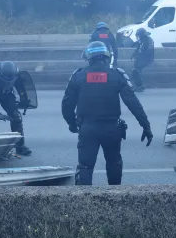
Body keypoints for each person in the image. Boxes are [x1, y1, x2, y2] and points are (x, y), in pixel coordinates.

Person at [62, 41, 153, 186]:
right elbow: (133, 103)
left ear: (89, 58)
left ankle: (83, 199)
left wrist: (72, 124)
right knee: (114, 162)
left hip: (87, 128)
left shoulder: (78, 76)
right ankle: (115, 196)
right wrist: (145, 125)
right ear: (106, 57)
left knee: (85, 166)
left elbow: (67, 105)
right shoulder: (117, 75)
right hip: (112, 129)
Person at [131, 28, 154, 92]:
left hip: (147, 59)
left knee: (135, 71)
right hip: (142, 59)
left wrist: (139, 57)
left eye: (139, 35)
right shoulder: (142, 40)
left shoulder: (147, 40)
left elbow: (147, 52)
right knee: (135, 70)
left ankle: (140, 86)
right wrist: (133, 55)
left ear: (142, 35)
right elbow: (138, 48)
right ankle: (138, 85)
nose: (138, 37)